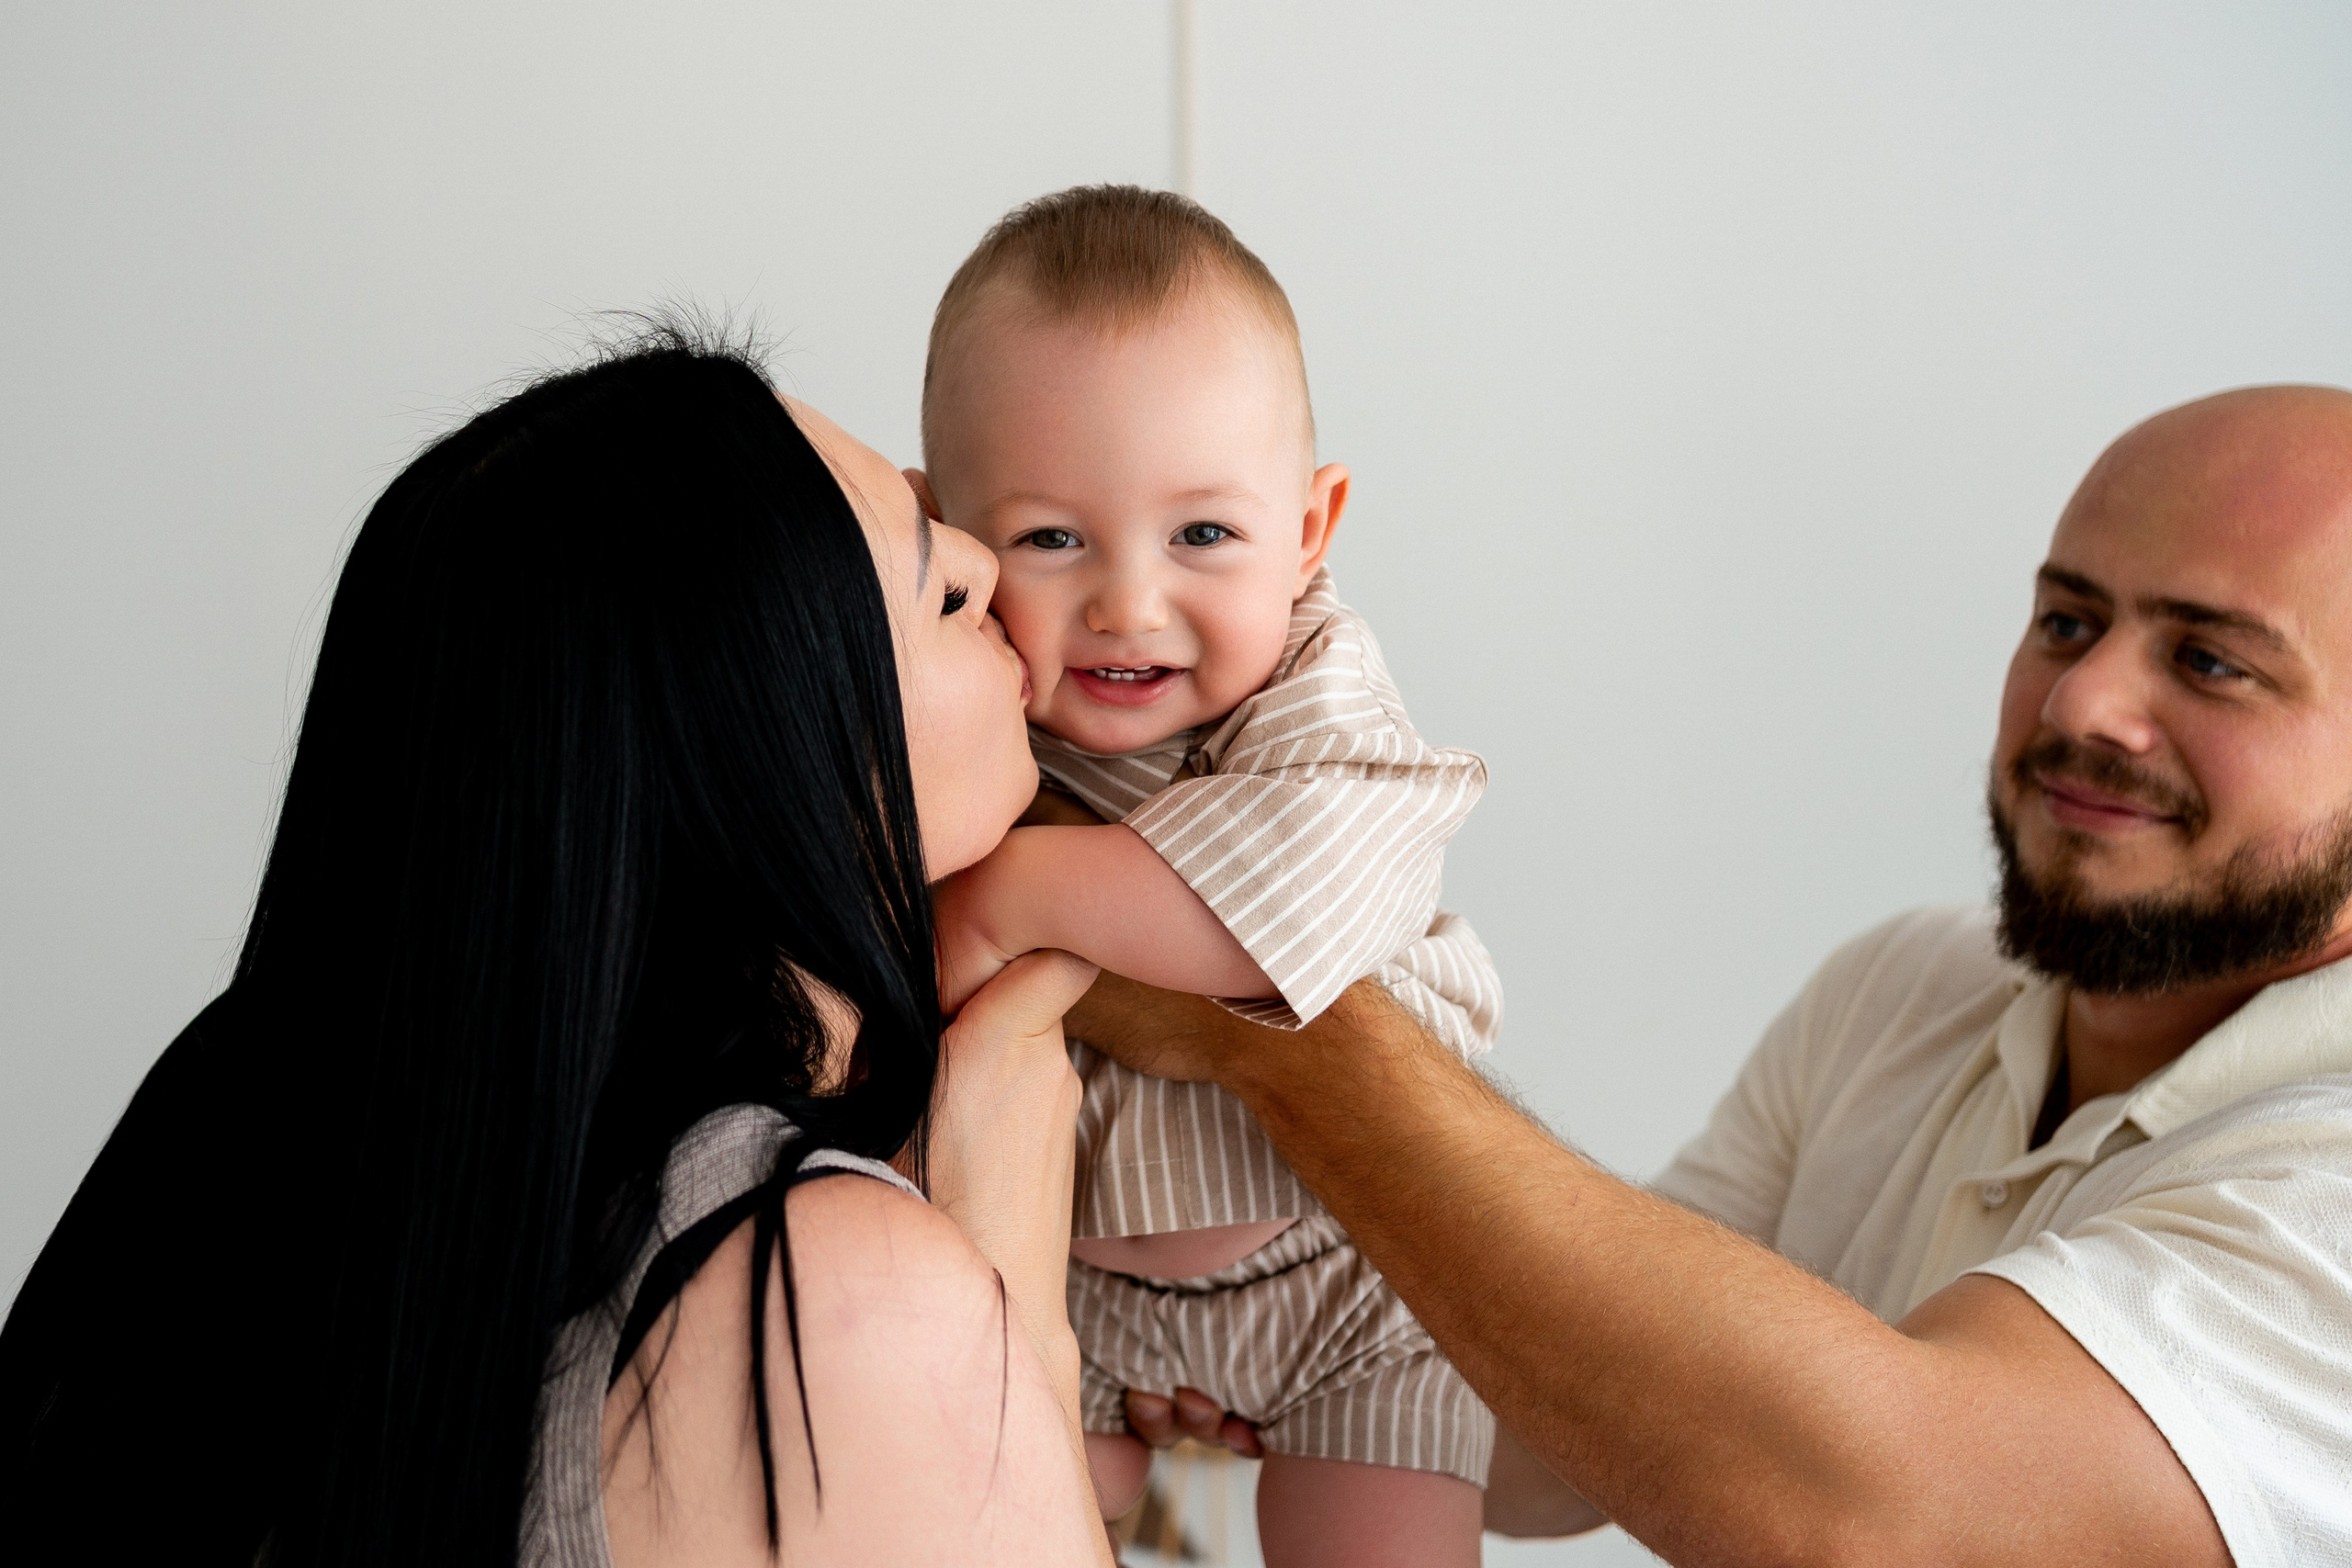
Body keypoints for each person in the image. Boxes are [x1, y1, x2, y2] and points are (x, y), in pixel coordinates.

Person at [1071, 386, 2352, 1564]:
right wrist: (1264, 1321)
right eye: (2067, 622)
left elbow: (1876, 1530)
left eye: (2212, 662)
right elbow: (1562, 1432)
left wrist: (1266, 994)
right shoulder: (1906, 990)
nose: (2079, 704)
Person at [0, 328, 1111, 1566]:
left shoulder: (242, 1125)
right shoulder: (835, 1305)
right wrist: (1017, 1312)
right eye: (935, 589)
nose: (988, 564)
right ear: (757, 758)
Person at [916, 186, 1499, 1564]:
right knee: (986, 1525)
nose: (1129, 603)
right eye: (1051, 539)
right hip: (1066, 1285)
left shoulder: (1315, 692)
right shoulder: (957, 708)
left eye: (1203, 536)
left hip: (1353, 1278)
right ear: (949, 541)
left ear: (1309, 530)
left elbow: (1275, 909)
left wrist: (1004, 897)